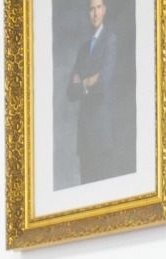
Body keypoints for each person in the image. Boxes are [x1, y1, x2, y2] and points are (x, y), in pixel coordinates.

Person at [66, 0, 120, 184]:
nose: (95, 13)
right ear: (88, 13)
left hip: (102, 132)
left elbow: (104, 81)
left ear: (104, 10)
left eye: (98, 8)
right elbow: (70, 92)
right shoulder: (82, 50)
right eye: (91, 9)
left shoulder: (110, 40)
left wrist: (83, 82)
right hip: (85, 135)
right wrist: (90, 80)